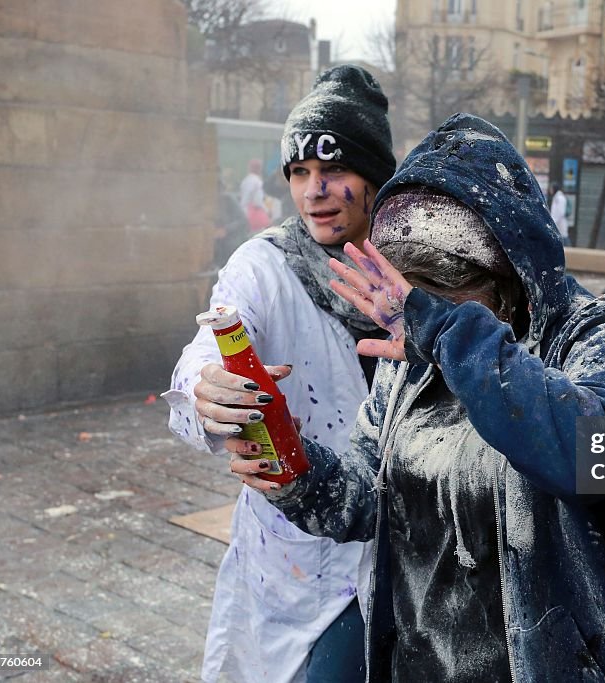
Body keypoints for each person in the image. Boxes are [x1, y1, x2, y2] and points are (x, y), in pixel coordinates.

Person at [227, 113, 605, 682]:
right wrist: (290, 464)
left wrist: (444, 331)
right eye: (413, 294)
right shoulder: (412, 355)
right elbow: (363, 498)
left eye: (446, 293)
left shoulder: (601, 335)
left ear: (510, 274)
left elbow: (601, 457)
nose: (416, 316)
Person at [163, 65, 397, 683]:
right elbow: (207, 348)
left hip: (397, 548)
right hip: (290, 552)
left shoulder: (416, 269)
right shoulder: (265, 266)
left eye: (334, 171)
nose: (314, 190)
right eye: (299, 173)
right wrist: (207, 389)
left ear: (376, 176)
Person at [240, 158, 271, 233]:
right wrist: (267, 210)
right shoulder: (257, 181)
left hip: (244, 213)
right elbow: (258, 201)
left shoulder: (245, 181)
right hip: (255, 216)